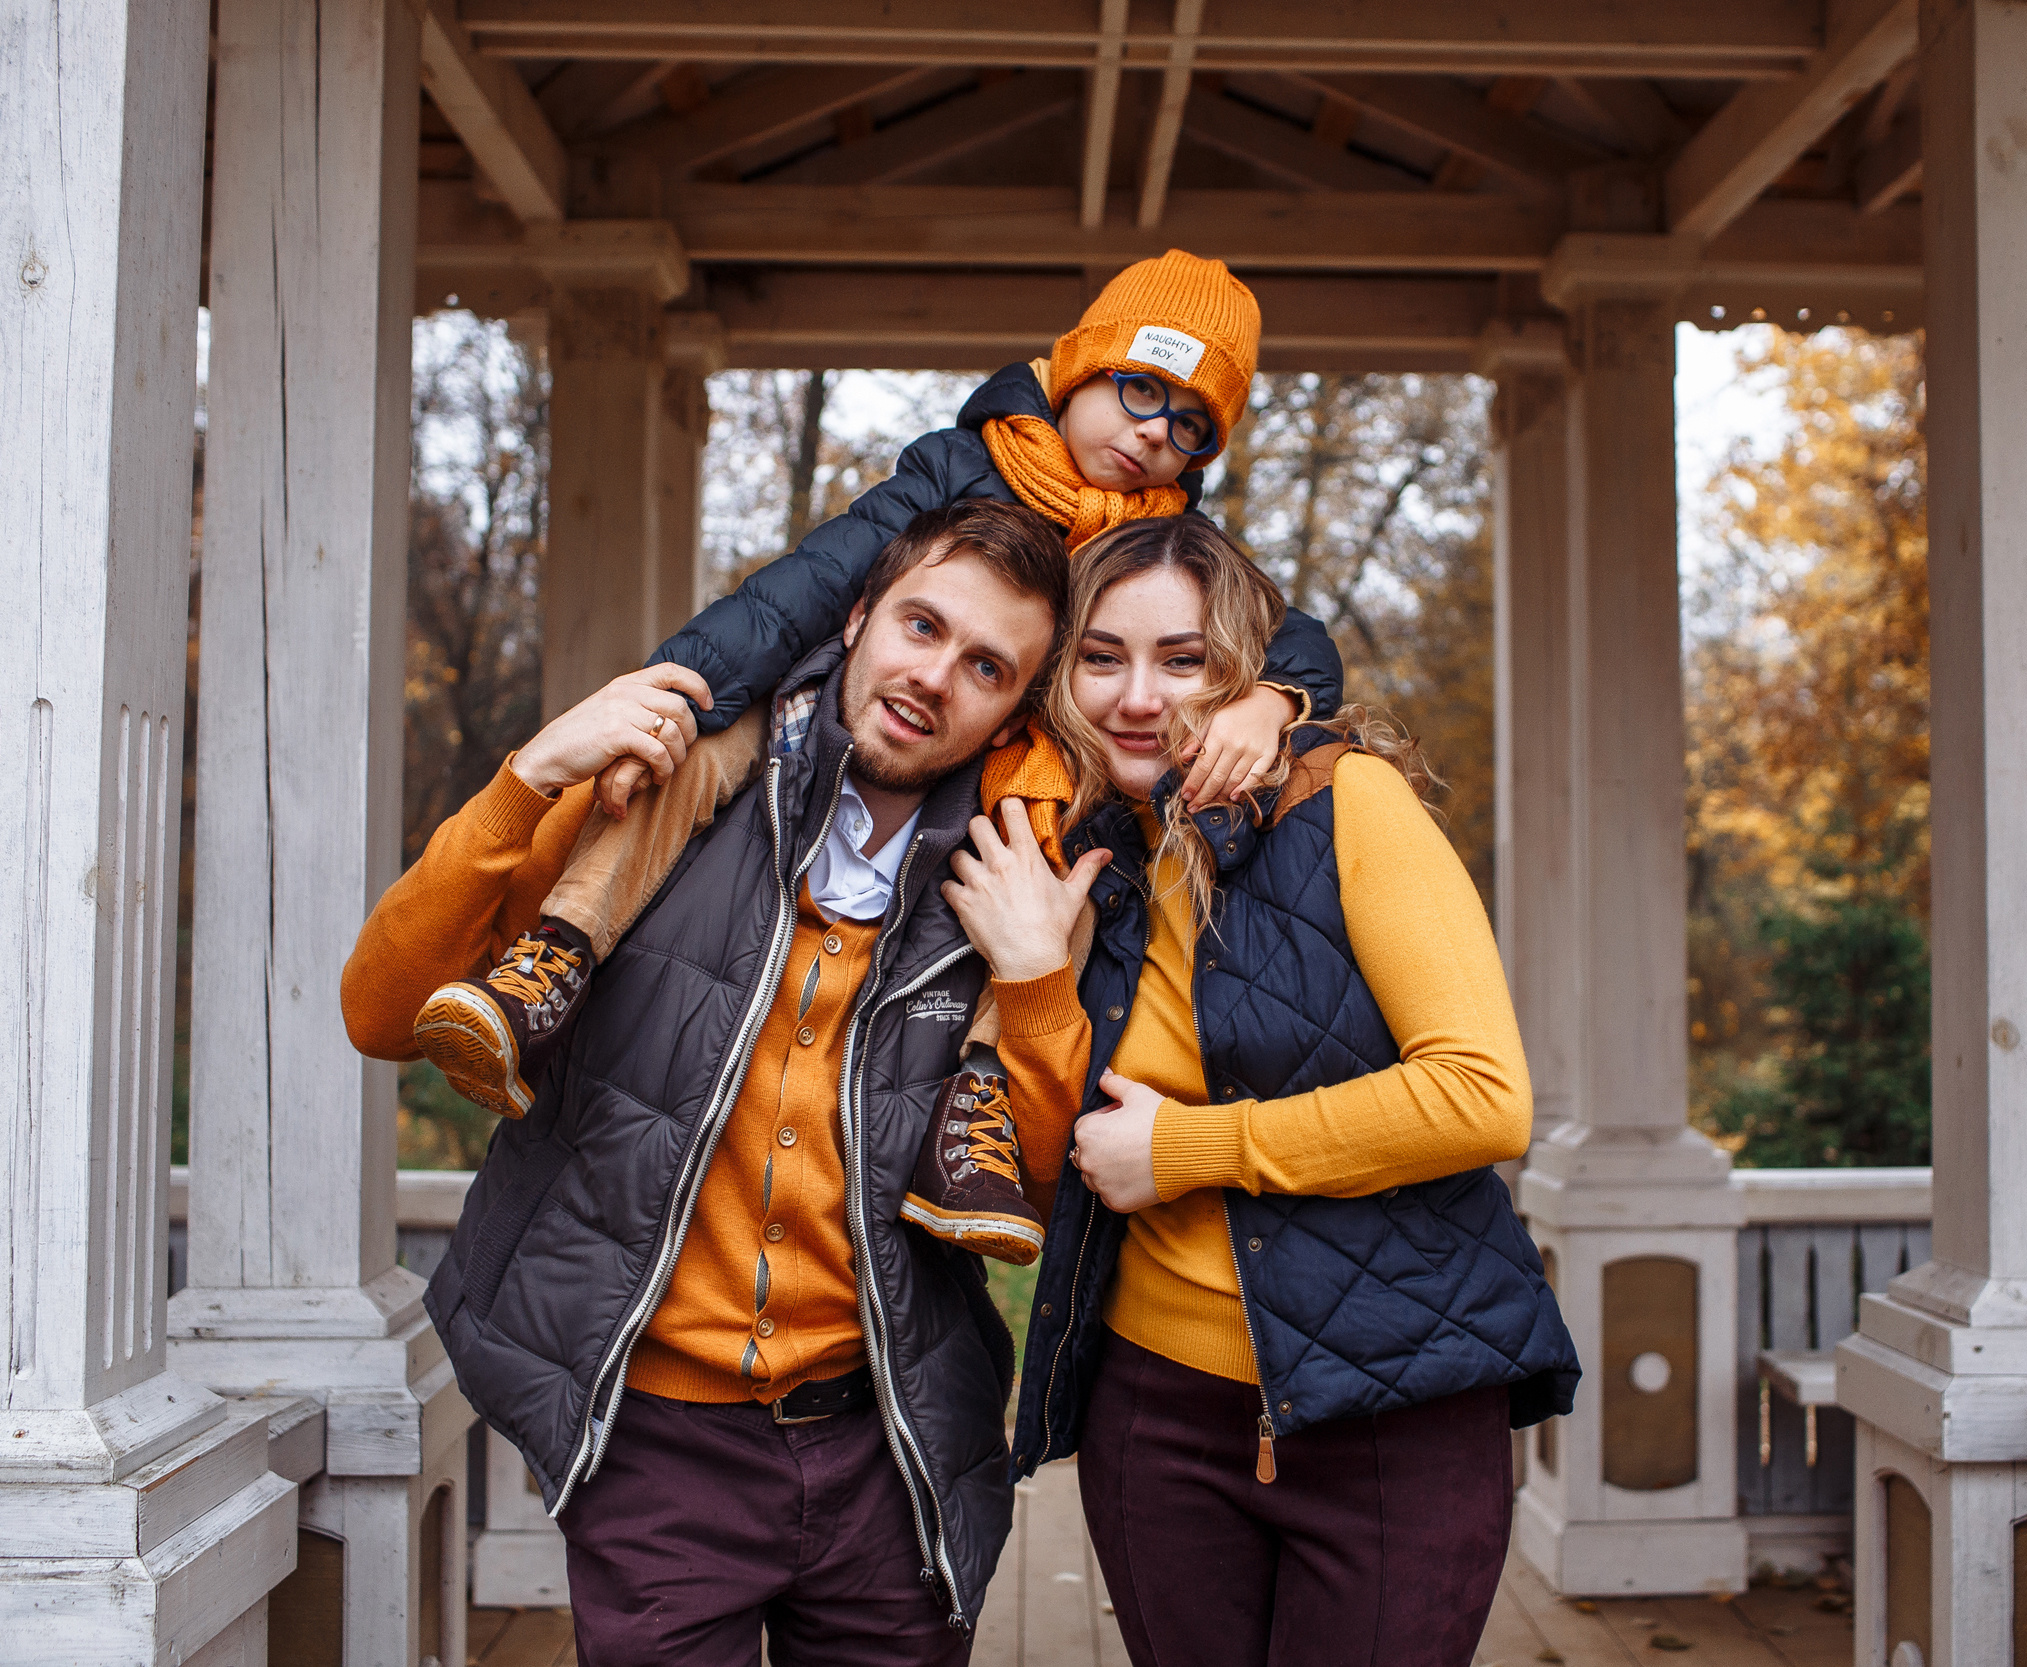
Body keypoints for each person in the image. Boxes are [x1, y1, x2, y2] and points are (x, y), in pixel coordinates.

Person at [408, 249, 1345, 1263]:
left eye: (1191, 425)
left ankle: (974, 1111)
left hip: (1004, 765)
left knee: (1060, 862)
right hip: (831, 720)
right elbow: (803, 587)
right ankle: (550, 959)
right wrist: (673, 687)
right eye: (1142, 390)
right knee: (703, 745)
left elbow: (1295, 640)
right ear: (1078, 370)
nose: (1157, 432)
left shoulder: (1162, 543)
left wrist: (1272, 695)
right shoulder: (954, 468)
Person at [342, 502, 1105, 1661]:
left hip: (887, 1454)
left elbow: (1033, 1195)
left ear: (1016, 706)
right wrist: (530, 774)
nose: (935, 675)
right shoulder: (661, 797)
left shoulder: (1014, 886)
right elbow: (380, 1013)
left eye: (985, 665)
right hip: (655, 1450)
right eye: (920, 624)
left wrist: (1041, 982)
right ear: (856, 617)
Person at [944, 515, 1581, 1667]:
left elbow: (1482, 1096)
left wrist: (1192, 1148)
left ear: (1245, 669)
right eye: (1101, 657)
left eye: (1183, 660)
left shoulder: (1346, 806)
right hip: (1153, 1409)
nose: (1139, 695)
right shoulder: (1074, 860)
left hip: (1392, 1405)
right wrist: (1035, 981)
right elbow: (1035, 1164)